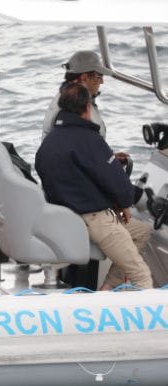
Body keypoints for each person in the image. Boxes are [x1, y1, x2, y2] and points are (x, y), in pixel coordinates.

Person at [35, 83, 153, 290]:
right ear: (87, 108)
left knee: (142, 231)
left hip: (66, 220)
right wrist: (123, 202)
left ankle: (106, 290)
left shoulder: (49, 142)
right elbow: (120, 186)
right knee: (142, 275)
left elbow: (74, 175)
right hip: (96, 221)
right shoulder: (90, 141)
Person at [42, 50, 112, 140]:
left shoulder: (67, 97)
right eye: (99, 76)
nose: (102, 82)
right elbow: (77, 146)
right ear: (84, 78)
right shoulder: (73, 106)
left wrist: (108, 154)